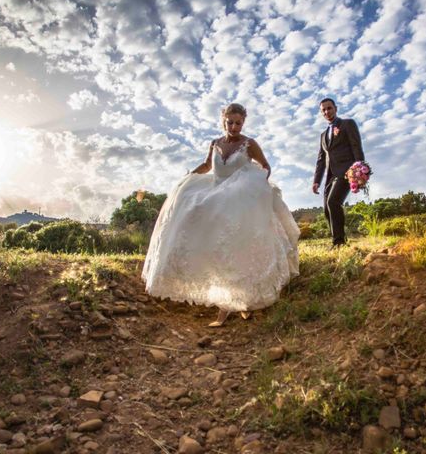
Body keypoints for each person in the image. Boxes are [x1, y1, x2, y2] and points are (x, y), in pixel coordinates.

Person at [142, 103, 299, 327]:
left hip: (238, 203)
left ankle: (234, 307)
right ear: (222, 121)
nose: (234, 126)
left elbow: (265, 167)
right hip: (215, 193)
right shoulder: (215, 144)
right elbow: (207, 165)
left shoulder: (249, 144)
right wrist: (188, 177)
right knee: (195, 216)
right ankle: (231, 300)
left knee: (235, 250)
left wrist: (252, 189)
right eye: (230, 122)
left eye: (238, 123)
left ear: (243, 123)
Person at [312, 98, 365, 248]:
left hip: (348, 171)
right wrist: (317, 181)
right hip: (331, 175)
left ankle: (339, 243)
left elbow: (356, 146)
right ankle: (339, 238)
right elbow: (321, 159)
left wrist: (360, 169)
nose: (327, 112)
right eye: (324, 110)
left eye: (329, 108)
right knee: (326, 209)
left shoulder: (347, 124)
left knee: (333, 202)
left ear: (335, 108)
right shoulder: (323, 135)